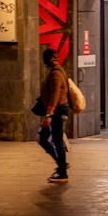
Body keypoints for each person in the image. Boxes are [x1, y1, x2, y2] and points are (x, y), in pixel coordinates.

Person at [38, 48, 71, 183]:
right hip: (57, 110)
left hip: (57, 111)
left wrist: (48, 115)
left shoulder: (55, 74)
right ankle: (62, 165)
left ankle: (63, 173)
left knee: (56, 140)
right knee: (44, 138)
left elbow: (55, 95)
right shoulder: (56, 71)